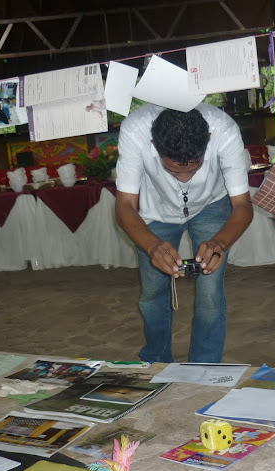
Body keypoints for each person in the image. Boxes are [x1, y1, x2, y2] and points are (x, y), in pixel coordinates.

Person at [115, 104, 253, 363]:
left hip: (212, 204)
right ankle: (156, 361)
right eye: (175, 171)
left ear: (208, 140)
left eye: (194, 168)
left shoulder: (224, 129)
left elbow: (243, 206)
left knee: (210, 291)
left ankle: (205, 366)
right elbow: (124, 206)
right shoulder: (135, 130)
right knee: (153, 293)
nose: (185, 179)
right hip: (155, 212)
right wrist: (152, 246)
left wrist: (219, 244)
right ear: (154, 144)